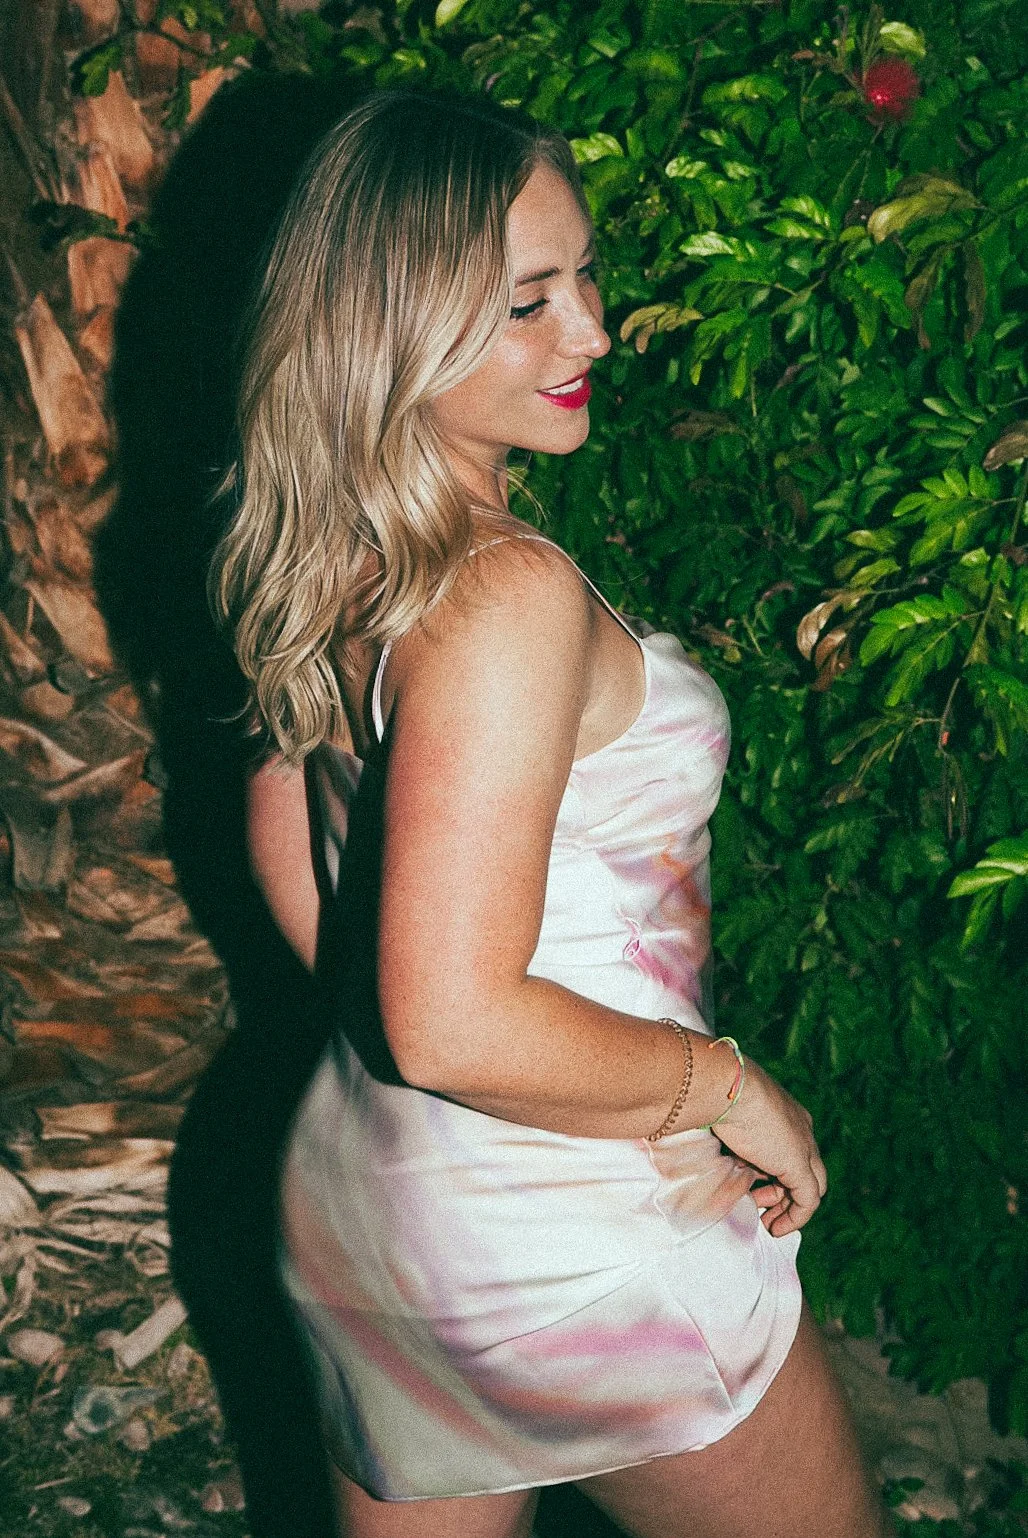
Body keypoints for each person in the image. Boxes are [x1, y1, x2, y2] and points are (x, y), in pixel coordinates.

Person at [209, 89, 890, 1538]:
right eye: (527, 301)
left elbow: (304, 880)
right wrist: (733, 1088)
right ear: (392, 324)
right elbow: (450, 1016)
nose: (590, 331)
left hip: (367, 1207)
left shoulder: (327, 563)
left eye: (583, 276)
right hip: (576, 1235)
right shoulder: (503, 593)